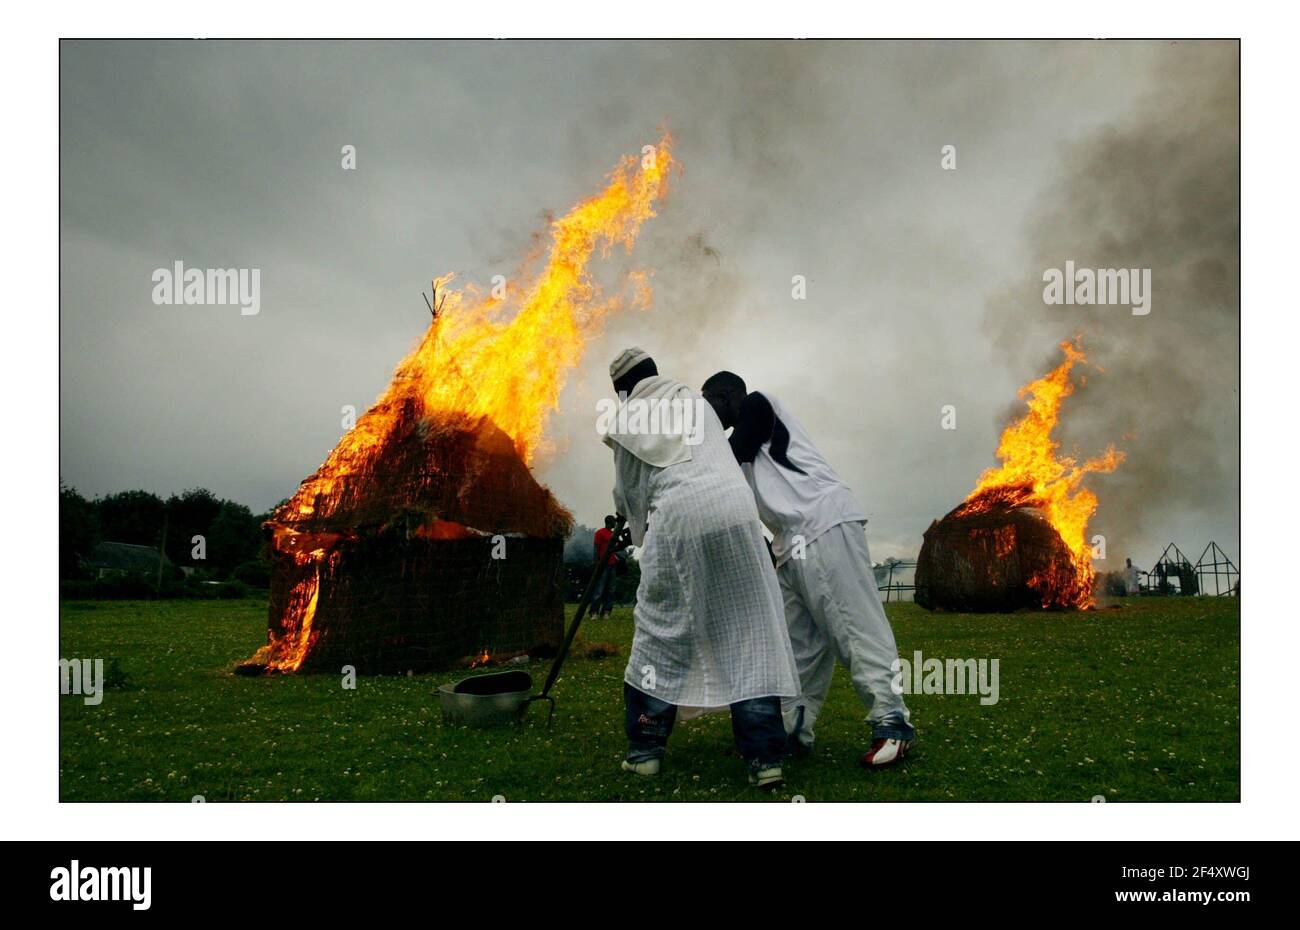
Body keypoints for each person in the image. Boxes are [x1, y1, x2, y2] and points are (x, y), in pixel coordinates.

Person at [602, 348, 799, 788]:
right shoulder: (697, 403)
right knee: (750, 629)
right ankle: (765, 759)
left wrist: (630, 522)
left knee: (661, 628)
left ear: (622, 389)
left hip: (680, 518)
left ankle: (645, 750)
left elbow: (630, 489)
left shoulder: (628, 418)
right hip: (736, 514)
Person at [702, 370, 916, 768]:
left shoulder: (757, 404)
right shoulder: (741, 455)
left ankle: (892, 722)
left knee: (853, 625)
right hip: (792, 542)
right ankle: (793, 727)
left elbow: (731, 456)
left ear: (728, 396)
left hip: (822, 523)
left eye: (709, 401)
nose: (708, 413)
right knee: (796, 646)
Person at [590, 515, 621, 618]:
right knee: (599, 589)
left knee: (611, 589)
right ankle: (594, 612)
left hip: (612, 564)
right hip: (603, 565)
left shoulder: (613, 533)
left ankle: (606, 611)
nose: (615, 524)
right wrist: (596, 563)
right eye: (614, 522)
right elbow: (596, 549)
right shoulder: (599, 533)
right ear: (609, 522)